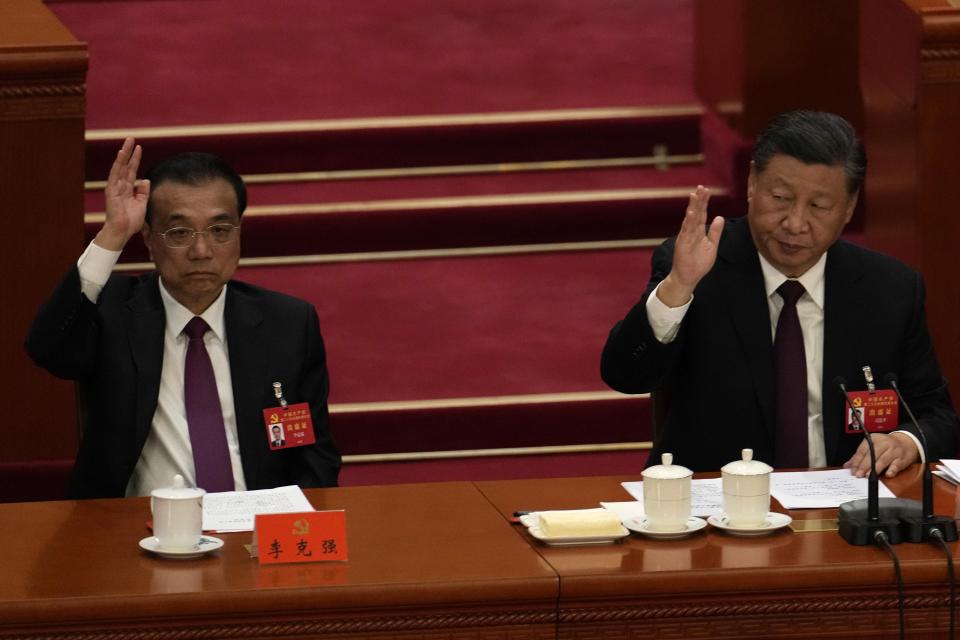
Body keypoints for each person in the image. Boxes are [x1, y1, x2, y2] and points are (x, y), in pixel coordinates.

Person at [601, 110, 958, 477]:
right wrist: (678, 288)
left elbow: (937, 416)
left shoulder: (889, 289)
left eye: (818, 206)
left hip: (846, 508)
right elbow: (625, 376)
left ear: (849, 207)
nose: (795, 223)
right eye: (781, 197)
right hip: (721, 507)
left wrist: (905, 440)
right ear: (753, 182)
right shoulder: (701, 268)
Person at [27, 138, 341, 498]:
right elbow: (48, 349)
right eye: (179, 233)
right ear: (147, 237)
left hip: (254, 527)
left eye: (220, 231)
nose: (202, 251)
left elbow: (312, 454)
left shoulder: (287, 324)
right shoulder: (113, 311)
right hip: (137, 533)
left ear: (239, 232)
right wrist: (112, 234)